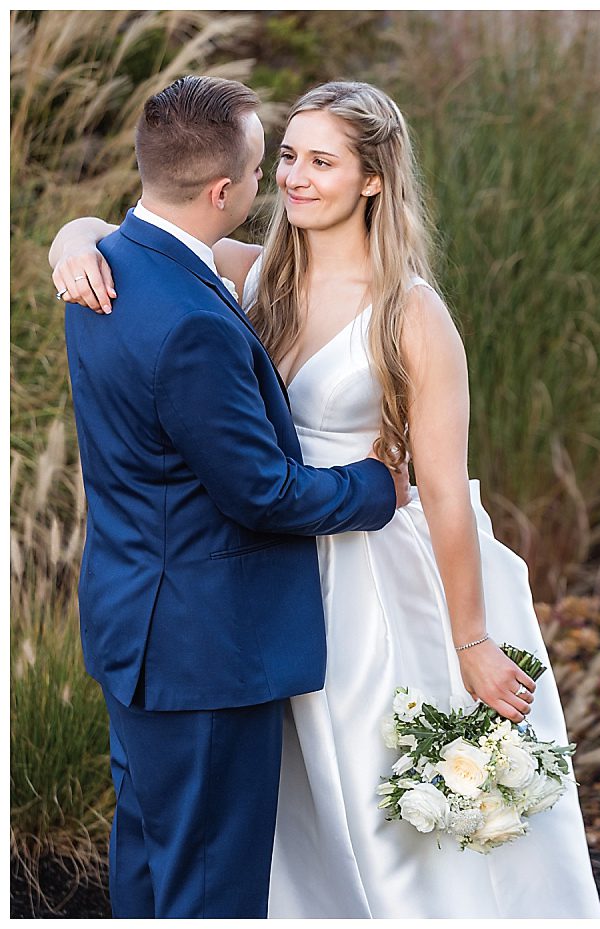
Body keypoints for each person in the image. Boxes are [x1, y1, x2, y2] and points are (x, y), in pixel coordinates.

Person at [52, 80, 600, 918]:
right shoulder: (255, 272)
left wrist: (472, 639)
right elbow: (152, 241)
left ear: (373, 177)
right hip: (262, 580)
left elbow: (444, 493)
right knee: (277, 820)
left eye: (322, 161)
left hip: (368, 581)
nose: (295, 178)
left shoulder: (410, 313)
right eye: (286, 157)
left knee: (371, 808)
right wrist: (74, 236)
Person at [58, 74, 401, 919]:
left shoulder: (103, 266)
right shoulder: (193, 322)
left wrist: (75, 228)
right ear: (223, 191)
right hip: (204, 654)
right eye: (262, 167)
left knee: (149, 866)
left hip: (135, 630)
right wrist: (374, 486)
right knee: (210, 892)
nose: (272, 183)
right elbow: (262, 492)